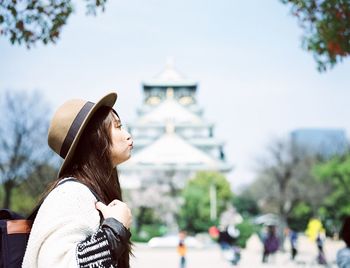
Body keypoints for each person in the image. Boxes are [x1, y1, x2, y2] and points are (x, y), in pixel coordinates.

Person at [23, 92, 133, 267]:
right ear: (95, 138)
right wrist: (115, 230)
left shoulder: (87, 191)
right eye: (118, 127)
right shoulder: (72, 194)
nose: (127, 135)